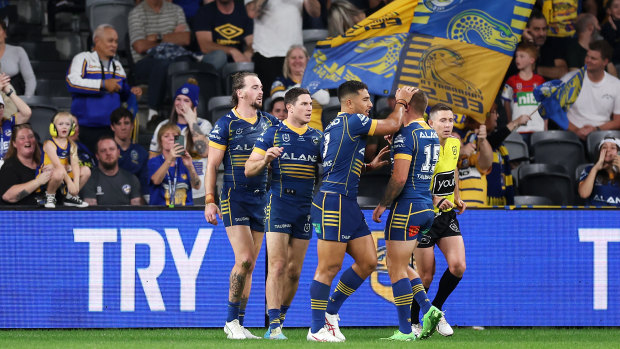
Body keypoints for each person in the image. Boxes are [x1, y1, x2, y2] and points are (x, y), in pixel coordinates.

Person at [307, 81, 415, 342]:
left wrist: (367, 166)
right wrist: (401, 101)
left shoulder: (335, 125)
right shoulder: (354, 121)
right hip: (333, 202)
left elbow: (338, 164)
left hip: (347, 202)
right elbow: (393, 124)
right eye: (365, 99)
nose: (369, 104)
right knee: (328, 267)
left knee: (368, 261)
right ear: (349, 103)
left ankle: (330, 313)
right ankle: (316, 330)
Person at [204, 71, 279, 340]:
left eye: (261, 86)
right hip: (234, 198)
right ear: (240, 92)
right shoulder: (225, 124)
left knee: (250, 265)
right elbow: (212, 166)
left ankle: (239, 323)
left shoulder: (270, 122)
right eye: (255, 87)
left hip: (262, 200)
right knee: (244, 259)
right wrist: (209, 201)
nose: (261, 91)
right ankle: (229, 321)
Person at [244, 87, 321, 340]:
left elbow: (336, 165)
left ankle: (281, 318)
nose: (309, 108)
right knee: (276, 266)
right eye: (304, 104)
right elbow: (248, 168)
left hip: (305, 208)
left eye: (310, 104)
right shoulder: (273, 133)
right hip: (278, 204)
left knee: (294, 271)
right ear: (290, 107)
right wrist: (265, 158)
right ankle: (273, 326)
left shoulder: (317, 138)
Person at [371, 91, 444, 341]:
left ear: (409, 107)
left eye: (401, 103)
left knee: (395, 268)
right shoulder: (432, 133)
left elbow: (400, 177)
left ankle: (405, 331)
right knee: (402, 265)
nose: (397, 107)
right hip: (425, 208)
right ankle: (429, 309)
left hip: (406, 207)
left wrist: (383, 204)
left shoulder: (407, 134)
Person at [410, 103, 466, 337]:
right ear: (430, 123)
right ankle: (414, 322)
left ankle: (437, 310)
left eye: (451, 120)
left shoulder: (454, 143)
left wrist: (457, 196)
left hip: (446, 215)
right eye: (442, 120)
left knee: (458, 266)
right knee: (425, 276)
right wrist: (434, 198)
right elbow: (412, 179)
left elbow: (452, 171)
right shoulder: (422, 146)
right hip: (424, 216)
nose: (448, 125)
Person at [66, 24, 142, 154]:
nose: (114, 45)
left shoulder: (118, 66)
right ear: (97, 41)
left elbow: (123, 93)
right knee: (87, 168)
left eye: (116, 42)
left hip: (111, 129)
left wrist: (132, 92)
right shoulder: (83, 58)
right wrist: (102, 84)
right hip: (86, 128)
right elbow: (71, 82)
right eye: (110, 41)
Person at [128, 0, 191, 125]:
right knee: (162, 63)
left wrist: (157, 37)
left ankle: (183, 113)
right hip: (144, 62)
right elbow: (140, 46)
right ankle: (153, 113)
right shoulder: (137, 13)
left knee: (184, 63)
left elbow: (185, 39)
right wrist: (173, 36)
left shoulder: (176, 9)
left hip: (174, 58)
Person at [149, 79, 212, 204]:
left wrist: (191, 121)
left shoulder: (203, 125)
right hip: (171, 191)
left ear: (194, 105)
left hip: (200, 191)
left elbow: (205, 152)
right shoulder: (164, 126)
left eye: (186, 100)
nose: (180, 103)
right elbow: (152, 158)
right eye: (178, 99)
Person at [245, 0, 321, 97]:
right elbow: (252, 12)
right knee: (271, 103)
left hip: (294, 56)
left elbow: (315, 13)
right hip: (267, 54)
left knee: (297, 101)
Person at [566, 40, 620, 141]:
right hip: (571, 135)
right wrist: (576, 130)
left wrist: (596, 129)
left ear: (605, 62)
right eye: (587, 56)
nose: (588, 60)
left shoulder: (616, 85)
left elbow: (618, 121)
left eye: (593, 58)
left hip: (602, 136)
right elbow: (556, 111)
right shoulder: (569, 79)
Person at [270, 45, 329, 130]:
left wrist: (301, 86)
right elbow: (278, 99)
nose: (297, 61)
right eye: (293, 58)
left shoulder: (317, 80)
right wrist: (305, 87)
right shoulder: (281, 81)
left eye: (300, 57)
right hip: (290, 132)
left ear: (307, 60)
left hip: (317, 132)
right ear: (287, 61)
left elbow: (325, 99)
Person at [41, 112, 91, 208]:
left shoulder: (72, 145)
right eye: (60, 124)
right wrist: (69, 183)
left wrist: (75, 184)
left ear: (72, 128)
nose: (64, 127)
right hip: (49, 174)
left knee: (86, 170)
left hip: (62, 173)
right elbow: (58, 165)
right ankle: (49, 196)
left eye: (67, 124)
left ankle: (71, 196)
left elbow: (75, 164)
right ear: (53, 127)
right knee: (59, 171)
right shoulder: (49, 144)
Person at [485, 105, 531, 206]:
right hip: (487, 203)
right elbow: (491, 141)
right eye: (494, 112)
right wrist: (516, 122)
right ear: (485, 116)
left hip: (502, 200)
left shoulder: (500, 147)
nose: (497, 116)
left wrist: (506, 165)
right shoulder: (477, 140)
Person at [501, 42, 546, 144]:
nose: (517, 59)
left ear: (532, 60)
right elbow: (506, 103)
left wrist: (545, 125)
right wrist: (511, 123)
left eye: (521, 56)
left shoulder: (540, 81)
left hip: (538, 129)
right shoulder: (511, 81)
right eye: (516, 56)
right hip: (518, 130)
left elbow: (545, 105)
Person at [148, 122, 201, 206]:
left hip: (184, 212)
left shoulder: (185, 161)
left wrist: (190, 166)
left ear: (179, 139)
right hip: (161, 212)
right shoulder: (154, 161)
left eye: (174, 136)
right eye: (166, 136)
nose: (171, 138)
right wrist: (170, 159)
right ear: (160, 141)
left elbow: (197, 186)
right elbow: (156, 181)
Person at [82, 135, 143, 206]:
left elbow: (135, 211)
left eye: (112, 149)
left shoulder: (131, 179)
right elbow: (92, 213)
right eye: (103, 150)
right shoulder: (89, 180)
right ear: (97, 156)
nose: (108, 153)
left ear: (118, 153)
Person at [194, 0, 254, 70]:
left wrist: (248, 52)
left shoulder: (244, 10)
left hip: (237, 61)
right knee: (219, 56)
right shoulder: (205, 11)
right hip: (214, 60)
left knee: (256, 57)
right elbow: (205, 46)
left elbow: (251, 42)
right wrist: (233, 51)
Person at [0, 124, 51, 205]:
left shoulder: (44, 161)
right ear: (14, 144)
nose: (27, 140)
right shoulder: (9, 166)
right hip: (21, 215)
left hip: (49, 214)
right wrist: (37, 182)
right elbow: (8, 196)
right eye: (22, 138)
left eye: (31, 136)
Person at [110, 107, 149, 200]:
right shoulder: (106, 150)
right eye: (119, 124)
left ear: (132, 126)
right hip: (110, 197)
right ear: (112, 127)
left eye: (126, 123)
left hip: (135, 198)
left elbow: (145, 183)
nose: (123, 127)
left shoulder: (141, 152)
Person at [521, 9, 568, 80]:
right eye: (537, 29)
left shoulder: (553, 43)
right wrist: (530, 43)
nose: (542, 33)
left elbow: (563, 72)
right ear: (526, 30)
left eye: (544, 29)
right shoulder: (517, 45)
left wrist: (535, 69)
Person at [457, 115, 493, 207]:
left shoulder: (473, 158)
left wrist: (483, 140)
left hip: (477, 215)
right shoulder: (440, 160)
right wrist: (458, 153)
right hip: (451, 216)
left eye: (456, 138)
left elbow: (487, 161)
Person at [578, 136, 620, 206]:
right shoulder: (589, 169)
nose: (608, 150)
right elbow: (583, 194)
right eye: (604, 147)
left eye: (613, 148)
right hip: (595, 215)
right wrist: (595, 169)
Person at [0, 74, 32, 166]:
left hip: (9, 166)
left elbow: (27, 113)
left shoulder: (9, 122)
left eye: (1, 107)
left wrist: (9, 92)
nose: (0, 110)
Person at [0, 21, 36, 96]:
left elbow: (30, 79)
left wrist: (26, 101)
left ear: (5, 33)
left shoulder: (18, 51)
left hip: (14, 99)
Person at [601, 0, 620, 67]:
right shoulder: (607, 27)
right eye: (616, 7)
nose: (619, 9)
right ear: (609, 10)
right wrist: (614, 29)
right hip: (615, 62)